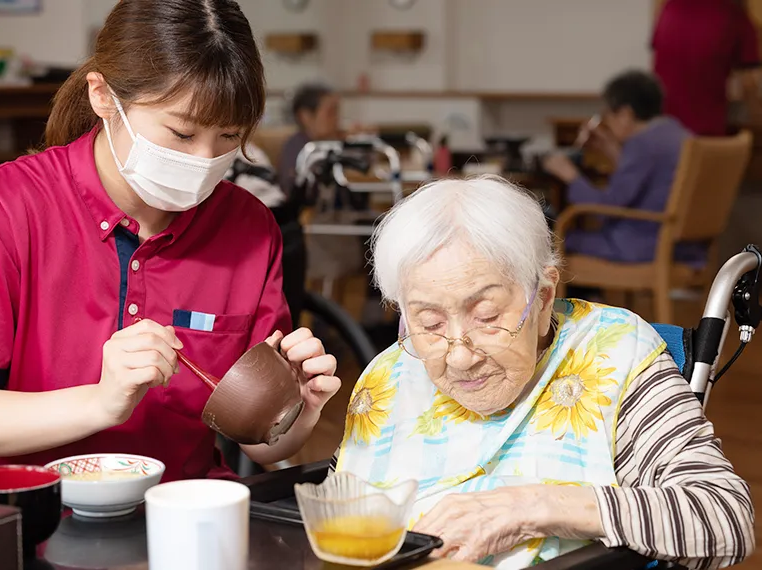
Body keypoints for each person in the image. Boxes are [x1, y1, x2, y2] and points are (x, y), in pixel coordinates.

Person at [0, 0, 341, 482]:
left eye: (228, 136)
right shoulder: (5, 207)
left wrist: (301, 408)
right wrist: (100, 403)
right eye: (182, 133)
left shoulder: (249, 227)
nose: (205, 160)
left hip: (186, 515)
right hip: (35, 516)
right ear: (102, 95)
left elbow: (262, 445)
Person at [329, 176, 754, 568]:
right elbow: (338, 509)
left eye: (488, 316)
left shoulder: (612, 354)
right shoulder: (391, 374)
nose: (460, 357)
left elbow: (722, 517)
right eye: (430, 323)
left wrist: (531, 508)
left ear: (545, 296)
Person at [541, 70, 705, 265]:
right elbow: (646, 179)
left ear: (626, 114)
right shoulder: (677, 133)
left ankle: (577, 295)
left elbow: (606, 209)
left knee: (554, 237)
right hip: (684, 246)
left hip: (641, 245)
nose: (608, 121)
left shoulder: (643, 144)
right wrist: (613, 151)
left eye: (609, 114)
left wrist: (569, 175)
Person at [652, 0, 762, 136]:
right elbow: (749, 83)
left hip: (660, 130)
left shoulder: (669, 8)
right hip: (706, 134)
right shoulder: (734, 15)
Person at [277, 83, 341, 196]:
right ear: (305, 116)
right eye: (330, 113)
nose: (337, 119)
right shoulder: (296, 148)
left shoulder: (332, 143)